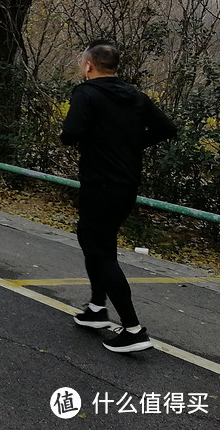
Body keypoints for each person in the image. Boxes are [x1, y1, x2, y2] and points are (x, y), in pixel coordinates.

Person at [61, 39, 176, 353]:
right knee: (95, 240)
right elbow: (167, 128)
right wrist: (132, 144)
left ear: (89, 66)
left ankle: (133, 329)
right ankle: (97, 308)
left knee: (100, 251)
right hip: (125, 184)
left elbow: (70, 134)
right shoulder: (136, 97)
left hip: (99, 183)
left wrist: (99, 140)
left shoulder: (86, 93)